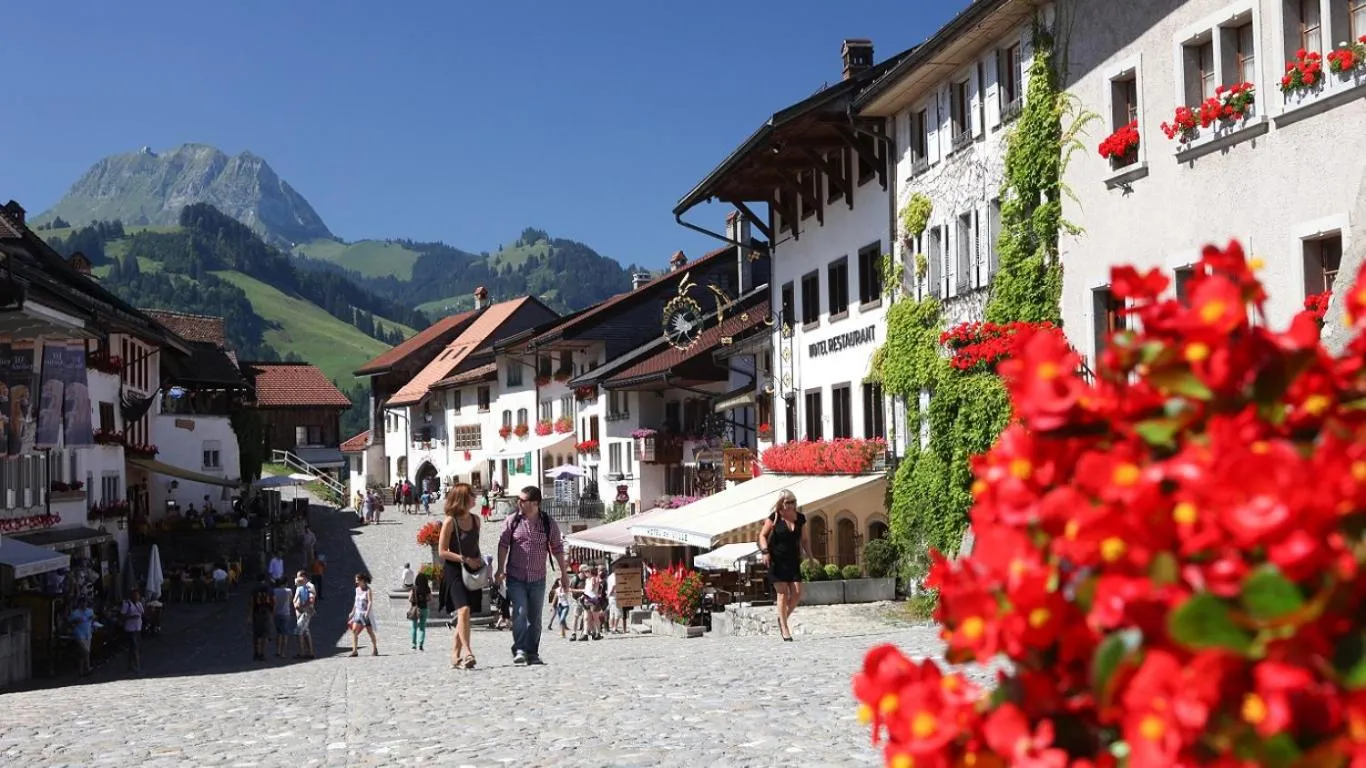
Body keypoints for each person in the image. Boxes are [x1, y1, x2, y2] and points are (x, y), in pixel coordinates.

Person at [495, 486, 570, 666]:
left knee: (535, 618)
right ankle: (520, 648)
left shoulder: (547, 523)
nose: (519, 503)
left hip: (538, 577)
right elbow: (503, 544)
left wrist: (564, 573)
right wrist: (500, 568)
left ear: (535, 503)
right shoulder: (512, 521)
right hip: (516, 576)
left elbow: (557, 548)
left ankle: (532, 651)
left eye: (523, 500)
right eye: (518, 500)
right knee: (520, 612)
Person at [757, 488, 814, 642]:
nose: (791, 505)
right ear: (782, 504)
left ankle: (782, 619)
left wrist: (810, 557)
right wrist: (764, 551)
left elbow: (805, 540)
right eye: (788, 502)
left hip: (793, 560)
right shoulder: (775, 517)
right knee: (782, 594)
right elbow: (762, 535)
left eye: (793, 502)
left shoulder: (800, 518)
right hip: (776, 561)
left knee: (797, 593)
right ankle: (784, 628)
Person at [439, 482, 484, 670]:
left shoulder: (476, 520)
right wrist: (464, 559)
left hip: (472, 570)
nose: (475, 498)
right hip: (454, 571)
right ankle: (468, 651)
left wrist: (481, 562)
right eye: (472, 495)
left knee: (464, 615)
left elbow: (475, 546)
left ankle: (455, 654)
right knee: (463, 610)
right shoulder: (451, 521)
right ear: (463, 499)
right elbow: (442, 551)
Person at [348, 572, 378, 657]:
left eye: (357, 580)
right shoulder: (357, 589)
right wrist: (352, 612)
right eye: (356, 580)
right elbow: (356, 602)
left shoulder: (368, 590)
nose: (356, 582)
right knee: (354, 630)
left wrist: (367, 613)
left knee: (369, 631)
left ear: (362, 580)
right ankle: (355, 651)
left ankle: (375, 649)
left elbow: (370, 602)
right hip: (358, 612)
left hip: (365, 614)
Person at [249, 574, 274, 661]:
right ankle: (262, 653)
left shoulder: (254, 589)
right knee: (264, 634)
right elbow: (273, 600)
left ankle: (256, 652)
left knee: (256, 634)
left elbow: (252, 602)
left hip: (256, 612)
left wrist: (250, 615)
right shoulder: (268, 588)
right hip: (266, 612)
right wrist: (272, 611)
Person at [293, 571, 316, 659]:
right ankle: (310, 652)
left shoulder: (309, 586)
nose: (297, 578)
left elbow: (311, 599)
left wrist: (302, 607)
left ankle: (302, 652)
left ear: (304, 577)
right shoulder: (300, 585)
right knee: (306, 631)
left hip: (305, 612)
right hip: (300, 612)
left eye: (299, 577)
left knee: (299, 632)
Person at [68, 599, 95, 676]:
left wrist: (92, 619)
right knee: (85, 651)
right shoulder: (75, 613)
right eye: (82, 603)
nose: (84, 605)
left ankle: (81, 671)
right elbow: (69, 622)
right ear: (79, 604)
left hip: (88, 633)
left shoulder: (90, 611)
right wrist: (75, 621)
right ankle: (88, 668)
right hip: (79, 634)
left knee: (82, 654)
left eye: (85, 603)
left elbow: (93, 619)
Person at [121, 589, 144, 672]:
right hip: (130, 629)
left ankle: (131, 664)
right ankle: (137, 665)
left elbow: (142, 614)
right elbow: (122, 617)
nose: (137, 597)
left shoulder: (139, 604)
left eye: (138, 595)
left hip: (138, 628)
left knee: (135, 647)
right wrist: (131, 617)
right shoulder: (127, 604)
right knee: (134, 648)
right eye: (135, 595)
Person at [272, 578, 295, 658]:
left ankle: (278, 651)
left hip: (276, 613)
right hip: (285, 613)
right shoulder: (288, 591)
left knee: (278, 632)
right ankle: (283, 652)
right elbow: (290, 601)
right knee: (285, 633)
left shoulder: (274, 591)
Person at [409, 571, 431, 651]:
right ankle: (421, 645)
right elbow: (430, 598)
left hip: (415, 609)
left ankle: (413, 645)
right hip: (424, 608)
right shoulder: (427, 588)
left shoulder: (414, 588)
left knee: (414, 627)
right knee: (422, 627)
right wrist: (424, 599)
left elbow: (409, 598)